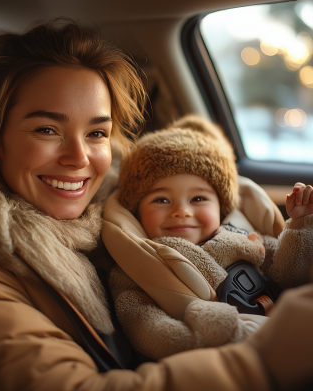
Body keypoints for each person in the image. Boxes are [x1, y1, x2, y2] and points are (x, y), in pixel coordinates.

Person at [0, 18, 313, 391]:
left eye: (97, 132)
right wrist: (263, 361)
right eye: (47, 129)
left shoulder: (128, 219)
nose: (78, 157)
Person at [106, 115, 313, 360]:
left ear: (221, 207)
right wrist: (219, 331)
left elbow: (290, 276)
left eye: (198, 199)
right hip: (224, 359)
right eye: (161, 200)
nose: (182, 210)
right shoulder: (136, 268)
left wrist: (299, 226)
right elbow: (147, 329)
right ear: (137, 211)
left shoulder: (242, 238)